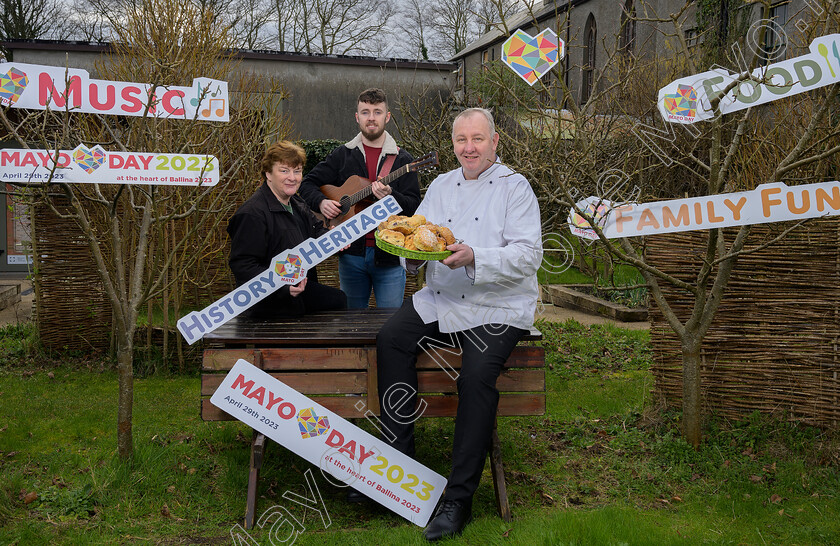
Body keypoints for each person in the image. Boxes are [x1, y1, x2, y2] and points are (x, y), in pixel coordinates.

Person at [376, 108, 542, 541]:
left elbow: (529, 256)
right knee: (391, 339)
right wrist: (408, 250)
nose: (469, 148)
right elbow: (419, 233)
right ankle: (397, 469)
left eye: (477, 139)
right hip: (443, 295)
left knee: (474, 378)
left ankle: (458, 497)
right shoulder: (442, 185)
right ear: (453, 144)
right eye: (461, 140)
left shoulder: (515, 188)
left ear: (495, 141)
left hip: (498, 305)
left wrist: (476, 257)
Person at [299, 88, 420, 309]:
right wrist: (322, 202)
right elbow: (307, 184)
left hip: (390, 257)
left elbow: (413, 207)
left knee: (389, 322)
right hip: (351, 256)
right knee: (351, 323)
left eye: (377, 112)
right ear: (357, 117)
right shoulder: (342, 155)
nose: (371, 118)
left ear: (387, 116)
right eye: (365, 112)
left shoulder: (404, 160)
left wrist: (392, 196)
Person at [228, 140, 347, 319]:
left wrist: (332, 240)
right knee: (337, 302)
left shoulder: (297, 203)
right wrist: (282, 287)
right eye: (284, 170)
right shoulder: (252, 213)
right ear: (268, 173)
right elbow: (243, 266)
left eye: (297, 171)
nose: (292, 177)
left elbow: (315, 231)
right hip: (268, 303)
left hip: (300, 290)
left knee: (338, 300)